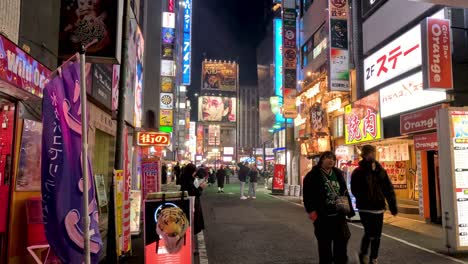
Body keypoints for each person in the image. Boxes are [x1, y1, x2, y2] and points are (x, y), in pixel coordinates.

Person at [303, 151, 355, 264]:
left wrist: (349, 210)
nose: (331, 160)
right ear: (322, 159)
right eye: (328, 158)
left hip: (338, 215)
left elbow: (344, 191)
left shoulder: (337, 173)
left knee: (341, 245)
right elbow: (307, 195)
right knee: (324, 247)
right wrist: (311, 211)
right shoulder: (313, 175)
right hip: (323, 216)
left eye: (333, 158)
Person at [351, 145, 397, 264]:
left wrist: (392, 205)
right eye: (369, 153)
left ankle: (374, 257)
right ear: (364, 155)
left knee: (377, 235)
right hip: (365, 208)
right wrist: (364, 198)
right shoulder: (358, 171)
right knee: (370, 232)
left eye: (373, 153)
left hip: (378, 207)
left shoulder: (380, 170)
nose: (372, 155)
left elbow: (388, 188)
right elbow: (355, 189)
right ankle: (364, 253)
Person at [180, 163, 207, 235]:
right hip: (191, 204)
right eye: (194, 171)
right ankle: (190, 238)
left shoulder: (185, 178)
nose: (195, 173)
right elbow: (194, 192)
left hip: (190, 203)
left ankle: (191, 236)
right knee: (192, 222)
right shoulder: (188, 180)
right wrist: (201, 187)